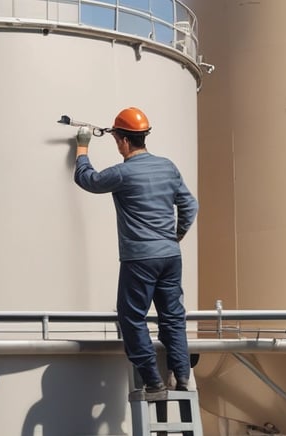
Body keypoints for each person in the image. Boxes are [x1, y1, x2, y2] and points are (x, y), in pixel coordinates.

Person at [73, 107, 198, 396]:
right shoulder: (168, 166)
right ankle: (181, 376)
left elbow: (88, 180)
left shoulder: (122, 173)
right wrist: (175, 236)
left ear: (123, 141)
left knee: (132, 317)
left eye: (117, 139)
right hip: (170, 257)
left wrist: (82, 147)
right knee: (173, 317)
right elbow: (190, 206)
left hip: (140, 258)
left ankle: (152, 381)